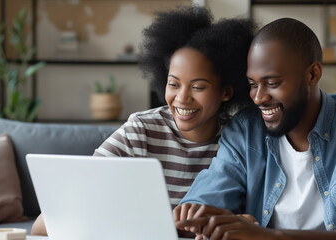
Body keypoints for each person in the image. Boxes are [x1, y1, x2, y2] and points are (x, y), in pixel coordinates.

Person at [173, 18, 336, 240]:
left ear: (312, 74)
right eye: (253, 85)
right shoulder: (245, 130)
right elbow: (206, 199)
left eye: (272, 83)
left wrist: (271, 237)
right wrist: (193, 218)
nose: (258, 97)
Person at [31, 6, 254, 236]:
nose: (182, 98)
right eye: (173, 84)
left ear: (226, 92)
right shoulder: (141, 130)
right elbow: (55, 217)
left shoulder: (240, 142)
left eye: (197, 87)